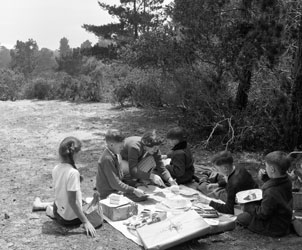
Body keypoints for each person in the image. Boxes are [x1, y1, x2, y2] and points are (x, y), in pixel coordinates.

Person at [32, 137, 96, 237]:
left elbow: (62, 189)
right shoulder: (73, 173)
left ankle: (42, 206)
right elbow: (72, 202)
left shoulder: (56, 168)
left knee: (61, 200)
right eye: (79, 153)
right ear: (74, 154)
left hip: (60, 212)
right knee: (86, 204)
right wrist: (85, 221)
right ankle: (48, 209)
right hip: (70, 220)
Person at [237, 151, 293, 237]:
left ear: (272, 169)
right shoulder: (287, 179)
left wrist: (246, 206)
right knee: (246, 215)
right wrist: (266, 178)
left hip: (274, 228)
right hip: (283, 219)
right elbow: (276, 185)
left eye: (266, 166)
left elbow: (263, 214)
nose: (265, 168)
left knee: (241, 218)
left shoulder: (271, 193)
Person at [95, 129, 146, 201]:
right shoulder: (107, 159)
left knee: (142, 194)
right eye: (120, 147)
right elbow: (115, 183)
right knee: (142, 196)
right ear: (111, 144)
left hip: (115, 189)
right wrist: (133, 190)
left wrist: (133, 185)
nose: (122, 149)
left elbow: (119, 177)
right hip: (108, 193)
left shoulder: (114, 154)